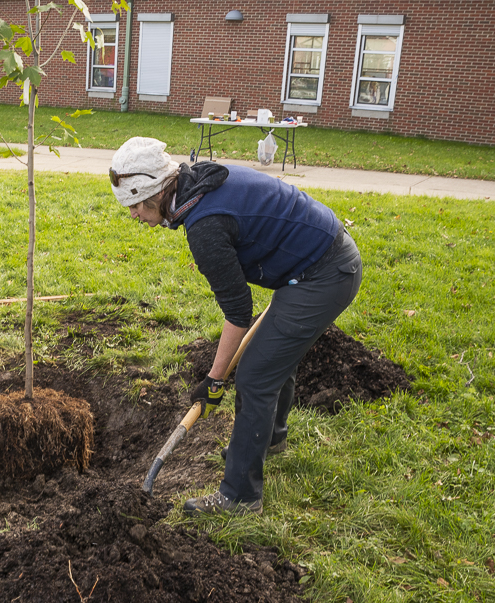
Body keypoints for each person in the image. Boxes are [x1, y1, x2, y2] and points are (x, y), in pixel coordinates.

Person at [110, 137, 362, 515]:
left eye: (134, 206)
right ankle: (270, 438)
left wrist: (215, 380)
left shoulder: (205, 226)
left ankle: (240, 496)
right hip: (313, 262)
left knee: (255, 376)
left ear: (154, 194)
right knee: (273, 354)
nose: (133, 216)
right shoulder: (199, 185)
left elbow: (238, 311)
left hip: (324, 274)